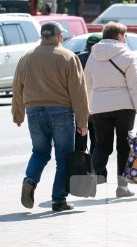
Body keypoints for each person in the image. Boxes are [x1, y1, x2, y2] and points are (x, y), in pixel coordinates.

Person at [12, 22, 90, 212]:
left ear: (42, 36)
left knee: (39, 152)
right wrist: (83, 121)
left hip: (34, 111)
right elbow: (78, 92)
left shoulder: (26, 58)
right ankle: (59, 200)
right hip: (61, 111)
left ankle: (30, 180)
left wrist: (18, 114)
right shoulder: (68, 57)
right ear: (57, 36)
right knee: (64, 157)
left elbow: (17, 87)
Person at [84, 22, 137, 198]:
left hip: (98, 107)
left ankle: (92, 178)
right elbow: (136, 87)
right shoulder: (126, 54)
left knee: (102, 145)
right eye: (124, 36)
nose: (125, 39)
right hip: (124, 107)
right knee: (124, 147)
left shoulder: (93, 54)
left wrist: (88, 108)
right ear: (119, 36)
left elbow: (86, 83)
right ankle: (122, 187)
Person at [77, 33, 102, 154]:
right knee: (96, 142)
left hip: (79, 104)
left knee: (80, 141)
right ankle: (94, 168)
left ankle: (80, 168)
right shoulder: (102, 59)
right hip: (97, 104)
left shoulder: (77, 58)